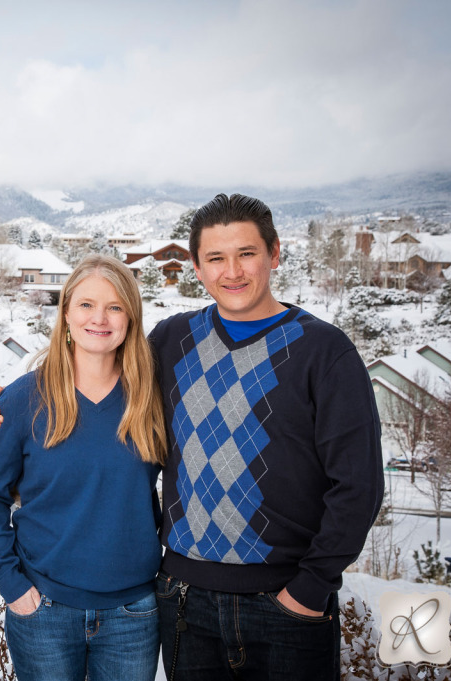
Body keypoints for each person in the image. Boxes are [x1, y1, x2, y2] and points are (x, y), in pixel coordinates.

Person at [149, 194, 383, 680]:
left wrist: (308, 591)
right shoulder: (171, 341)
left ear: (275, 254)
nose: (232, 271)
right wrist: (20, 402)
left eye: (247, 253)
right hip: (184, 601)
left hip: (286, 606)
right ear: (196, 266)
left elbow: (358, 486)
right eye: (215, 257)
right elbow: (101, 401)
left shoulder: (324, 351)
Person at [0, 254, 167, 681]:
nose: (100, 318)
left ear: (131, 318)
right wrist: (13, 586)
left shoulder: (152, 399)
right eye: (86, 305)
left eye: (115, 307)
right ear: (65, 313)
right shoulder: (23, 400)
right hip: (44, 609)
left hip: (132, 613)